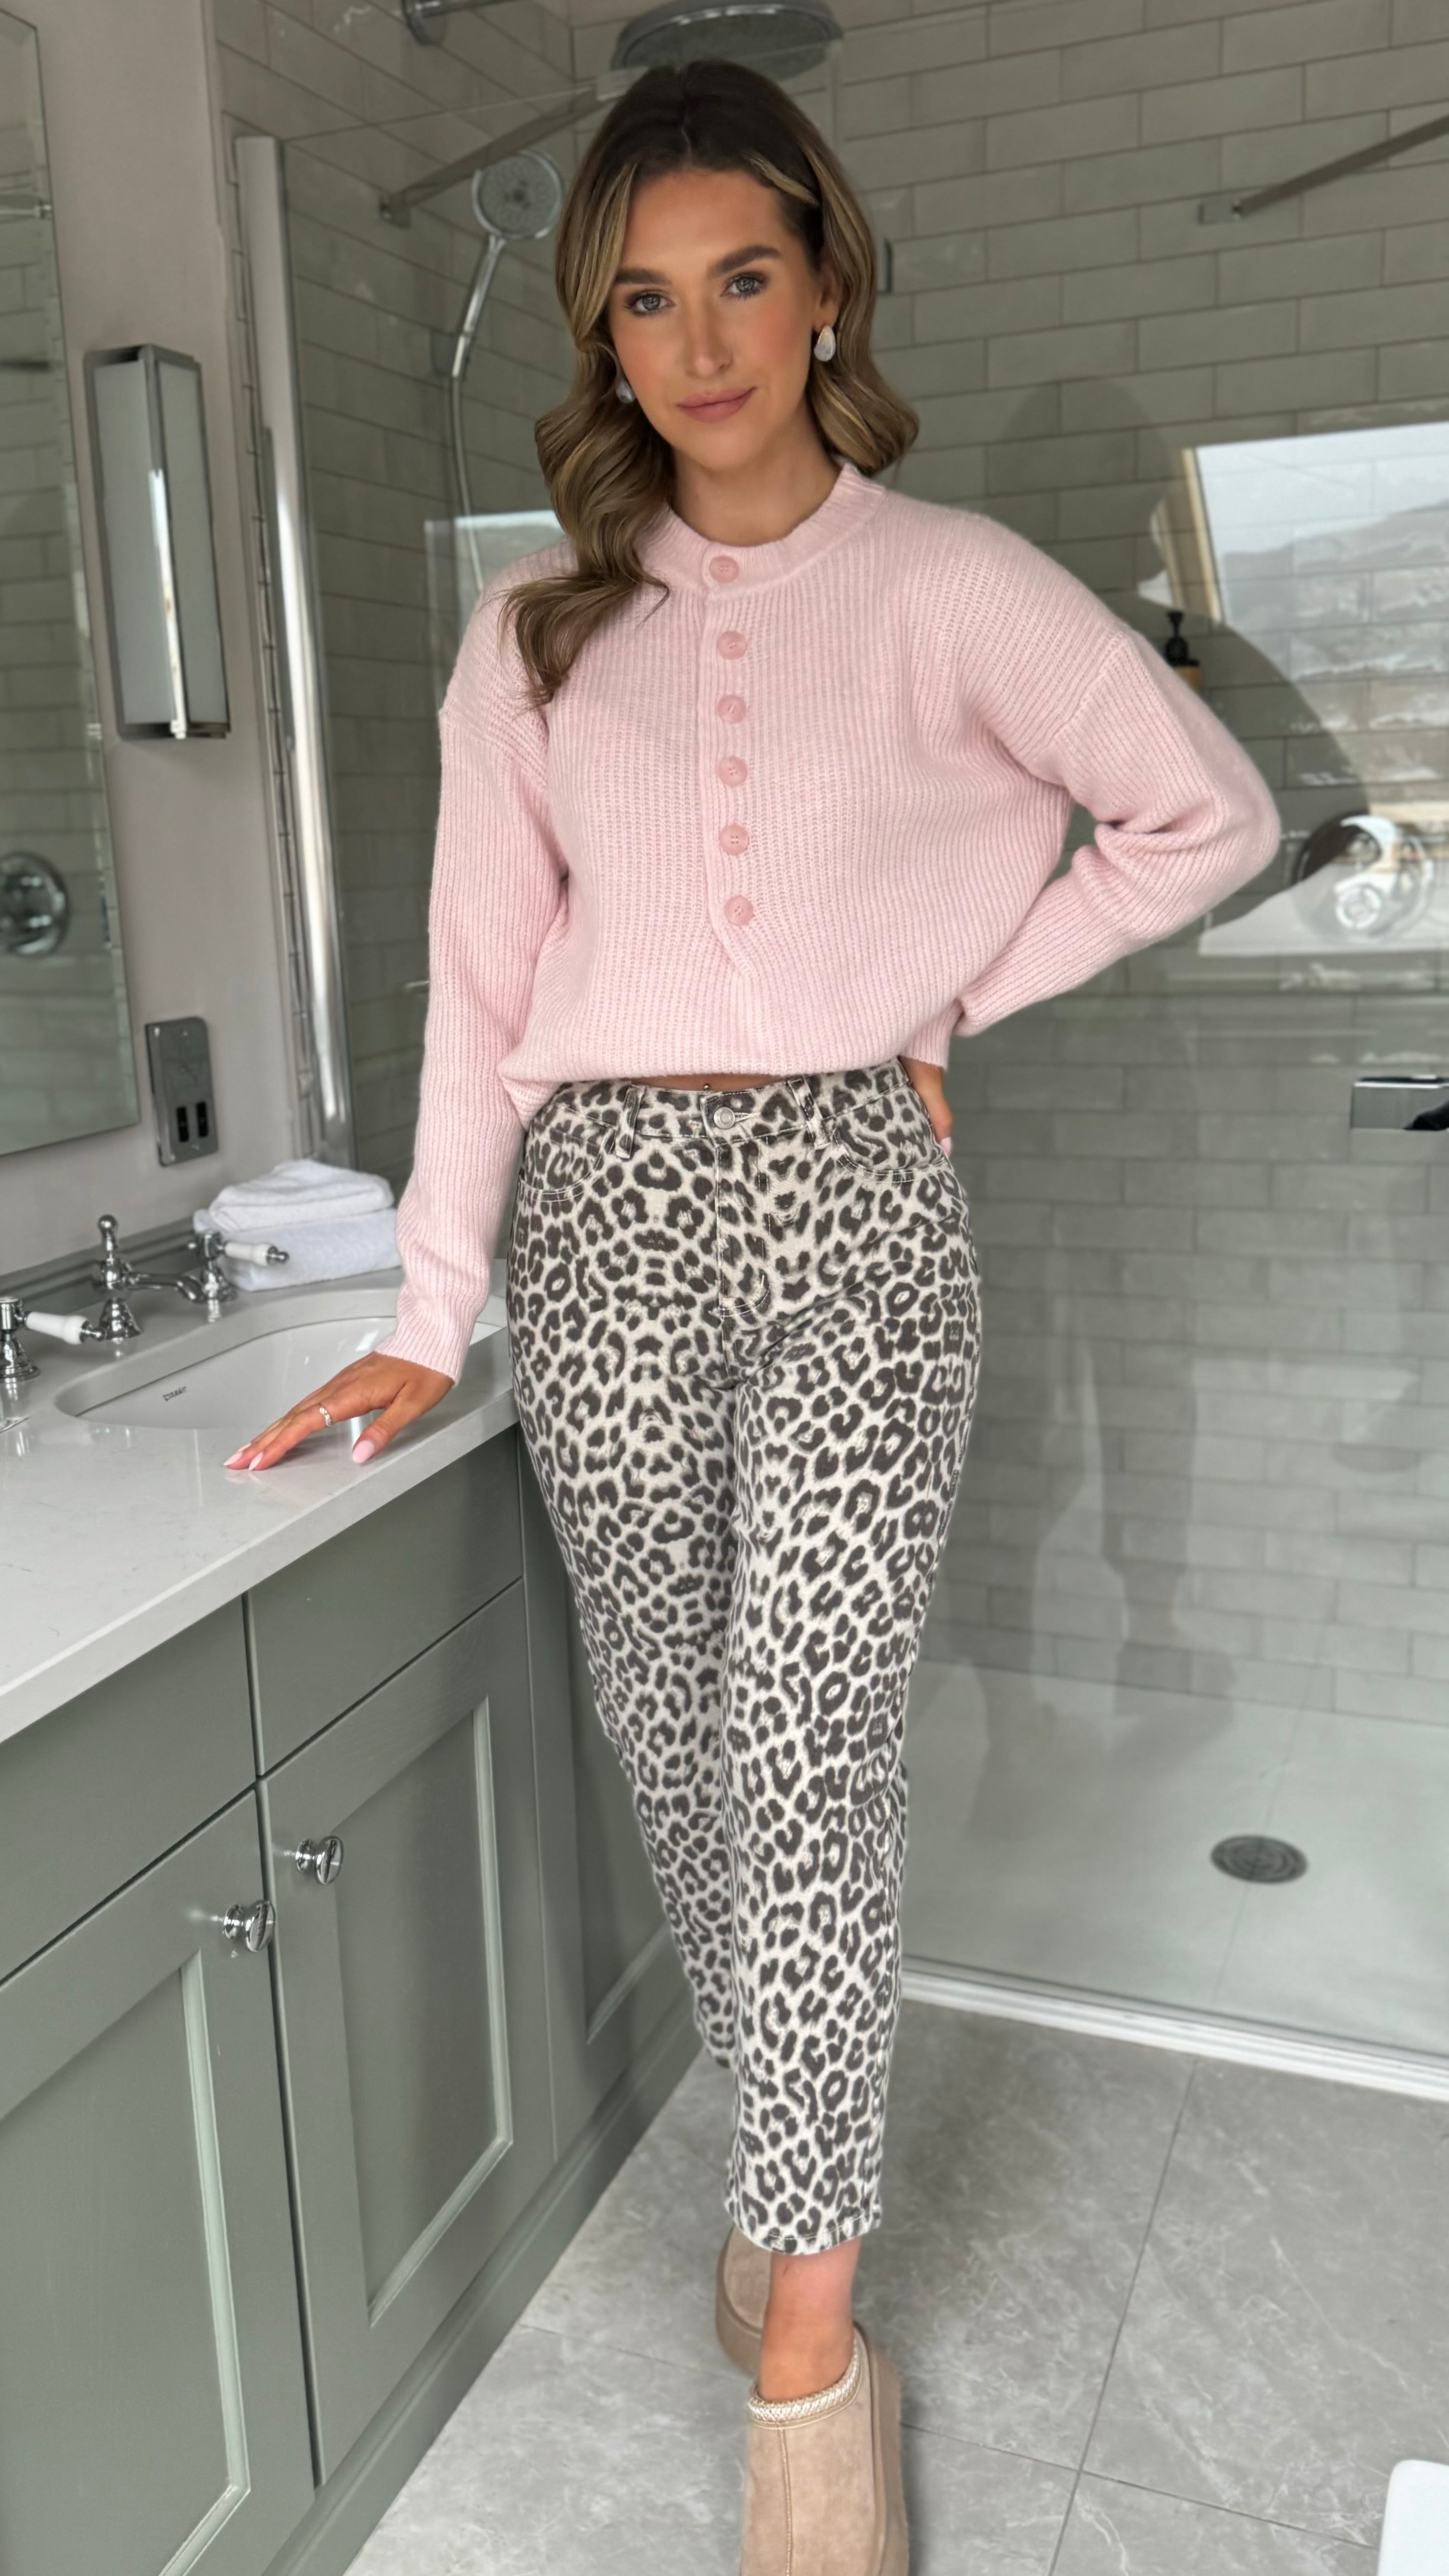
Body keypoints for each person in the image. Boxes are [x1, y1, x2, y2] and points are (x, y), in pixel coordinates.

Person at [226, 56, 1280, 2574]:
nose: (696, 344)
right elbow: (482, 987)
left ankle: (808, 2352)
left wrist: (952, 998)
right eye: (640, 301)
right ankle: (785, 2190)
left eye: (740, 280)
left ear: (825, 292)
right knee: (683, 1751)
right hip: (599, 1220)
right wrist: (431, 1302)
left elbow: (1208, 815)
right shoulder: (532, 628)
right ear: (598, 338)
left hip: (853, 1210)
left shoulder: (958, 587)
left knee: (809, 1755)